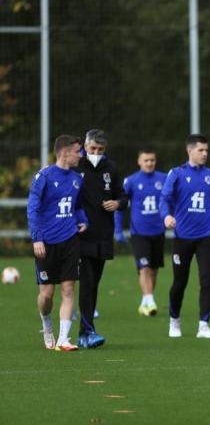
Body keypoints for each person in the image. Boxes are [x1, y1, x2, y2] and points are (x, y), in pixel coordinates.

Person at [28, 135, 87, 351]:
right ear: (64, 152)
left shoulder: (77, 179)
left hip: (70, 240)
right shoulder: (43, 176)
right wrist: (37, 238)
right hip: (46, 243)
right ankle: (47, 324)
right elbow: (32, 209)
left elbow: (78, 206)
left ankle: (63, 339)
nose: (81, 155)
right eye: (77, 151)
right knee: (46, 295)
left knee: (69, 289)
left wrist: (83, 221)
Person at [161, 134, 210, 339]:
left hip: (206, 237)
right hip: (183, 237)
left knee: (207, 281)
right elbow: (165, 198)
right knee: (180, 282)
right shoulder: (176, 173)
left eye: (206, 150)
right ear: (190, 150)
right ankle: (174, 321)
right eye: (200, 150)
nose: (205, 154)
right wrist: (166, 216)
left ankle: (204, 325)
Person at [77, 129, 127, 348]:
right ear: (85, 147)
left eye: (100, 149)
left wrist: (117, 204)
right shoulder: (75, 165)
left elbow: (123, 195)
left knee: (94, 283)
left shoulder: (111, 168)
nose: (96, 152)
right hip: (81, 235)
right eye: (92, 148)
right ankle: (86, 332)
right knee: (87, 283)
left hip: (103, 234)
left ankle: (85, 330)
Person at [115, 149, 167, 316]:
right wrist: (117, 229)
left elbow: (171, 201)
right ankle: (150, 301)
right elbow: (120, 207)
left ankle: (145, 302)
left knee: (153, 269)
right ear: (139, 162)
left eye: (152, 160)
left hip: (158, 231)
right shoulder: (130, 181)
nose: (149, 163)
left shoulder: (163, 179)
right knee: (144, 267)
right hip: (139, 232)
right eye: (146, 160)